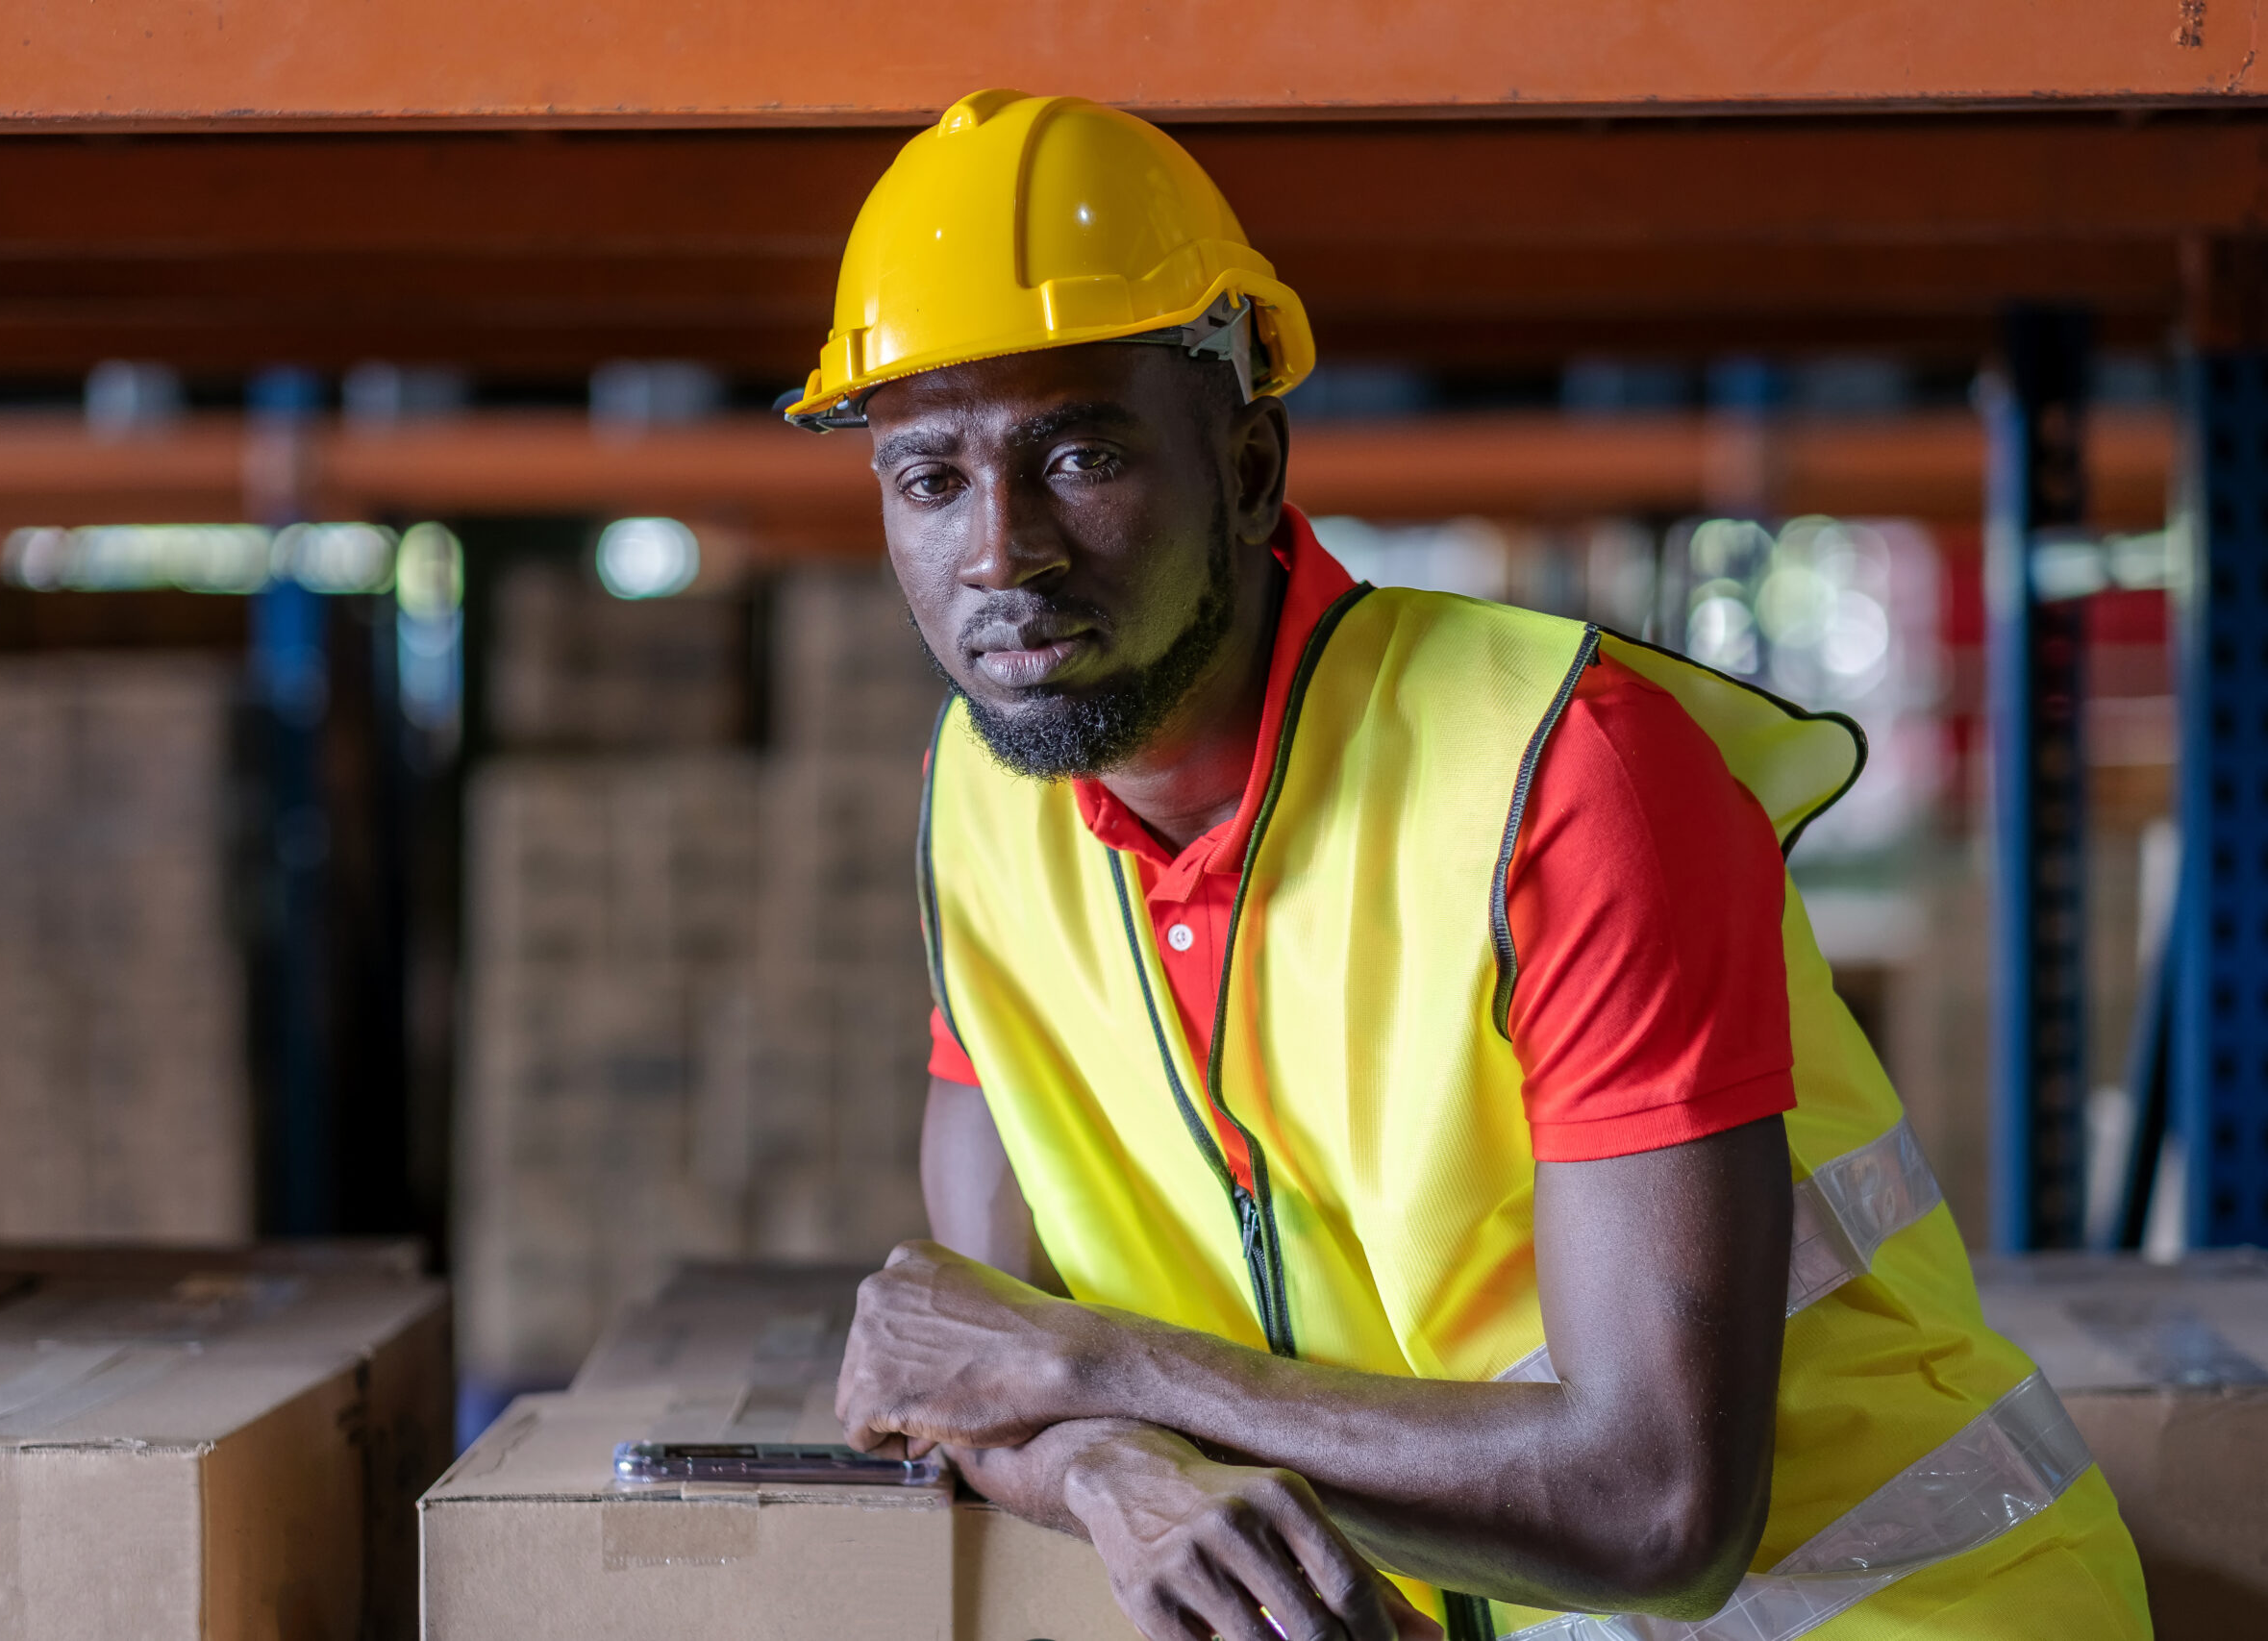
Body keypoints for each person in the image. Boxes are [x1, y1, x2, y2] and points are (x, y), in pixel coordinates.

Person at [783, 89, 2151, 1641]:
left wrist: (1102, 1378)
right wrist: (1110, 1468)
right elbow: (981, 1363)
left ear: (1246, 468)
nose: (1001, 554)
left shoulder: (1564, 774)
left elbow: (1660, 1512)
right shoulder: (977, 809)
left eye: (1081, 454)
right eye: (930, 480)